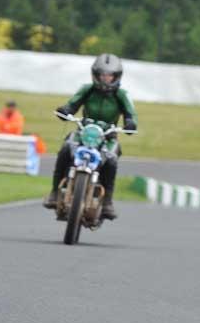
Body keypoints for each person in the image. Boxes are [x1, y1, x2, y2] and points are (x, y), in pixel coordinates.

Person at [43, 54, 137, 220]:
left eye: (109, 75)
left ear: (116, 76)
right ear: (95, 74)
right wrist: (66, 110)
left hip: (108, 137)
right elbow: (72, 104)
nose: (105, 78)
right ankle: (54, 193)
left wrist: (130, 123)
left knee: (111, 160)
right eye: (102, 75)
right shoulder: (87, 89)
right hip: (84, 132)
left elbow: (131, 114)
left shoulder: (121, 94)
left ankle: (107, 202)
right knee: (66, 148)